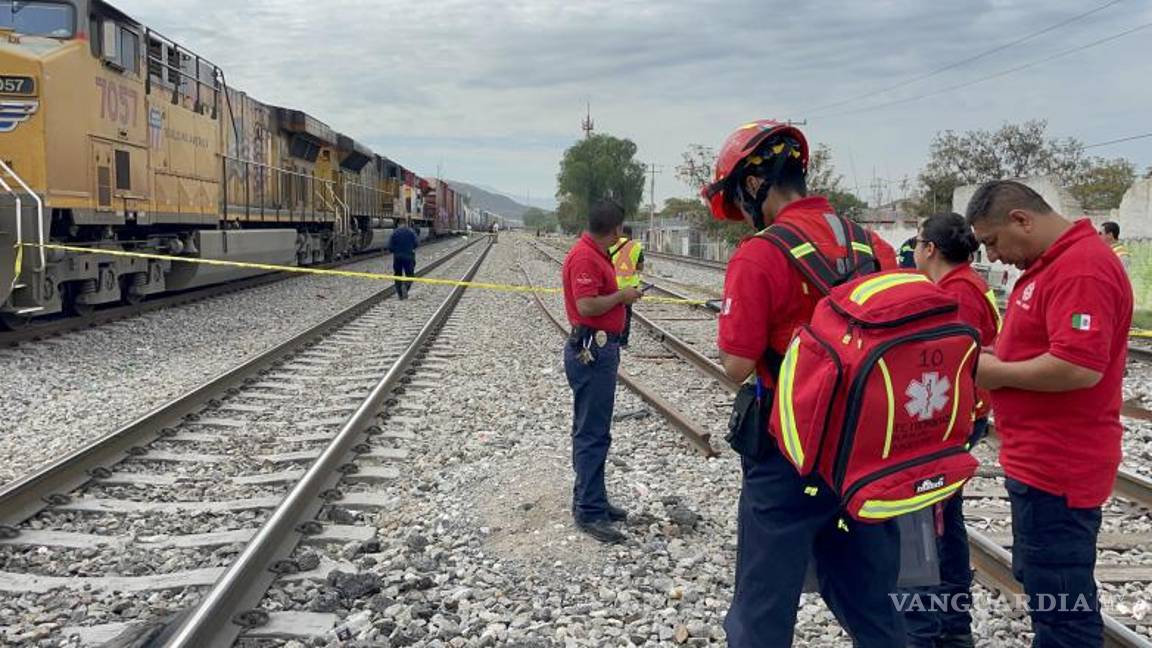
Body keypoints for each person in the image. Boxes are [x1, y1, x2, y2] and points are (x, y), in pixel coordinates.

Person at [703, 120, 901, 647]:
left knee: (762, 611)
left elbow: (737, 365)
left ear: (750, 185)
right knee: (873, 602)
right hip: (865, 451)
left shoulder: (761, 254)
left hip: (790, 454)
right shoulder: (874, 246)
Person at [968, 180, 1132, 648]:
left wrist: (996, 371)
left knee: (1062, 604)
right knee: (1047, 588)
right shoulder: (1049, 267)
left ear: (1022, 219)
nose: (994, 257)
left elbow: (1078, 367)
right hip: (1040, 460)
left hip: (1060, 464)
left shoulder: (1081, 269)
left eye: (993, 242)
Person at [901, 213, 1001, 648]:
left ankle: (938, 629)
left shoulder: (957, 293)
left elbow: (941, 363)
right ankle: (951, 627)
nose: (915, 248)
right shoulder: (965, 285)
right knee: (946, 523)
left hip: (951, 422)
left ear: (931, 249)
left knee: (932, 528)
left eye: (919, 241)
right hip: (960, 415)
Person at [561, 199, 643, 544]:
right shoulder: (585, 257)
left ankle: (594, 499)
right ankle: (588, 510)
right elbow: (586, 305)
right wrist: (621, 296)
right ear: (614, 230)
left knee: (597, 430)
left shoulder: (593, 253)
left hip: (598, 348)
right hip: (591, 350)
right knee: (591, 432)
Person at [609, 225, 645, 347]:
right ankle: (623, 342)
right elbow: (640, 267)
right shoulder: (636, 246)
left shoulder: (611, 244)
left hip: (613, 283)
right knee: (626, 314)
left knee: (611, 311)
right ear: (630, 234)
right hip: (630, 286)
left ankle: (611, 339)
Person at [388, 220, 419, 299]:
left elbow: (390, 247)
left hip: (397, 257)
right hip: (409, 257)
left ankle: (400, 294)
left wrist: (395, 251)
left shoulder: (394, 233)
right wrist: (411, 248)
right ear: (406, 224)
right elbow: (416, 243)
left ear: (398, 224)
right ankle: (406, 286)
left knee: (397, 275)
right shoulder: (411, 232)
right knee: (410, 274)